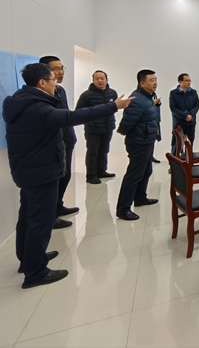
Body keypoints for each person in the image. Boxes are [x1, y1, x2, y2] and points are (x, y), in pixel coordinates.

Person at [2, 63, 133, 288]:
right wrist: (114, 106)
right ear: (42, 83)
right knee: (40, 221)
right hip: (41, 170)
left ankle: (28, 259)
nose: (56, 83)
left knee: (27, 216)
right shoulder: (38, 109)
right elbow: (76, 116)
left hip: (29, 169)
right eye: (53, 79)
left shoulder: (20, 100)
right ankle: (35, 272)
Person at [115, 69, 161, 221]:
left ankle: (140, 198)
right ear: (142, 83)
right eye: (151, 80)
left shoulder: (148, 97)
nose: (155, 83)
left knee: (146, 171)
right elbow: (127, 123)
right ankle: (123, 209)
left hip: (147, 141)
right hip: (139, 142)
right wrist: (123, 131)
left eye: (155, 80)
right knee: (134, 175)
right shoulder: (136, 99)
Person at [39, 56, 78, 230]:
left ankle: (58, 206)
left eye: (62, 68)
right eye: (56, 69)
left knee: (65, 175)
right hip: (54, 145)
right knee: (54, 180)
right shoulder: (42, 95)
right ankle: (51, 216)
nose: (61, 72)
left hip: (67, 141)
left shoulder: (59, 90)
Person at [75, 70, 119, 184]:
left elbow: (115, 107)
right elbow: (79, 111)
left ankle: (101, 171)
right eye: (97, 78)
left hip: (108, 127)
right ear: (93, 80)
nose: (100, 81)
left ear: (106, 80)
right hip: (93, 129)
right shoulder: (86, 95)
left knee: (104, 151)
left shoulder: (112, 93)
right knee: (92, 153)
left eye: (102, 78)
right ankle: (91, 175)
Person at [169, 73, 199, 154]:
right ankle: (174, 160)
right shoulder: (173, 93)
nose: (189, 82)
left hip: (191, 122)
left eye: (189, 80)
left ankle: (188, 160)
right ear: (180, 82)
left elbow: (197, 105)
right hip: (179, 123)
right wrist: (185, 116)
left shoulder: (193, 92)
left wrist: (191, 114)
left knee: (189, 145)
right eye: (186, 81)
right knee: (176, 145)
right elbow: (173, 108)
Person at [151, 92, 162, 163]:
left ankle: (151, 156)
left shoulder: (153, 94)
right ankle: (148, 157)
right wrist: (152, 103)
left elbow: (155, 106)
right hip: (149, 120)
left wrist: (158, 103)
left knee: (153, 138)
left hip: (155, 119)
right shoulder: (142, 95)